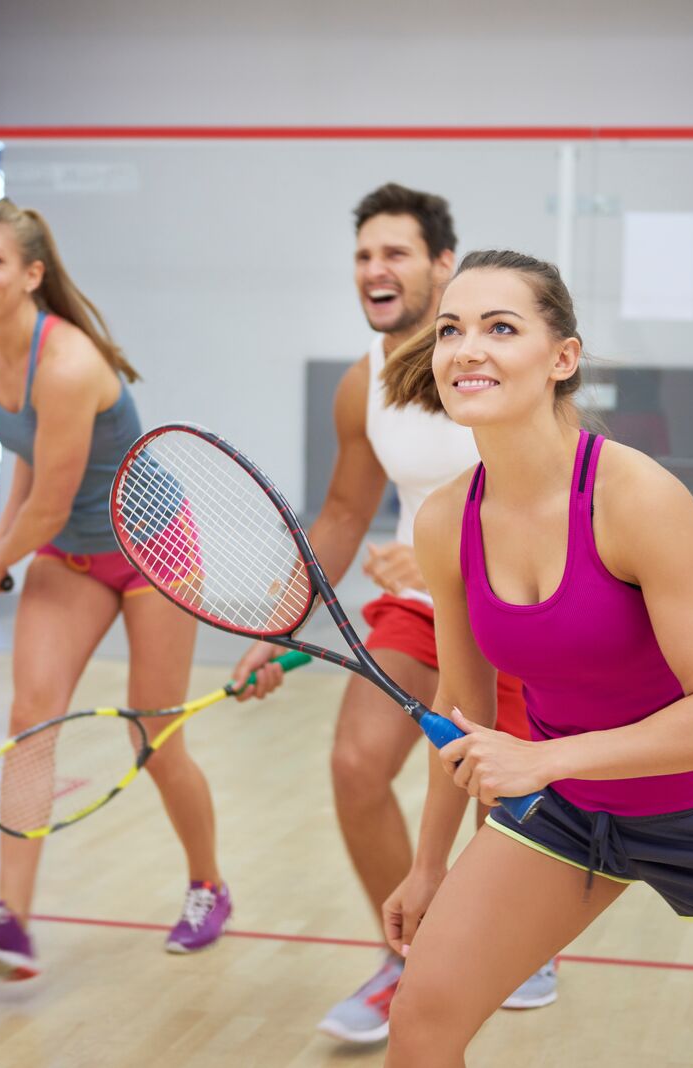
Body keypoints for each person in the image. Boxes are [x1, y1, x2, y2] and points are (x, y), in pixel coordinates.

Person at [378, 250, 693, 1068]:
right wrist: (428, 864)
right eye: (451, 329)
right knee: (421, 1023)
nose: (465, 348)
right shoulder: (447, 521)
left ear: (563, 359)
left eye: (499, 327)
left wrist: (542, 758)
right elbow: (465, 710)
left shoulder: (639, 500)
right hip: (567, 813)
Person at [231, 184, 553, 1044]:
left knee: (498, 799)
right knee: (355, 764)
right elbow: (341, 514)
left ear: (443, 266)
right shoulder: (361, 383)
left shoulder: (490, 366)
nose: (377, 269)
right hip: (419, 606)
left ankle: (512, 940)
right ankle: (406, 958)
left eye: (396, 252)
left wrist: (463, 555)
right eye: (365, 255)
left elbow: (545, 489)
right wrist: (279, 625)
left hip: (516, 608)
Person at [0, 199, 230, 980]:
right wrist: (2, 546)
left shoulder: (67, 364)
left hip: (152, 549)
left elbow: (52, 502)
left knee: (154, 736)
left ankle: (208, 885)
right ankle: (12, 924)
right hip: (68, 556)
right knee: (29, 721)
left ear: (32, 275)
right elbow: (28, 458)